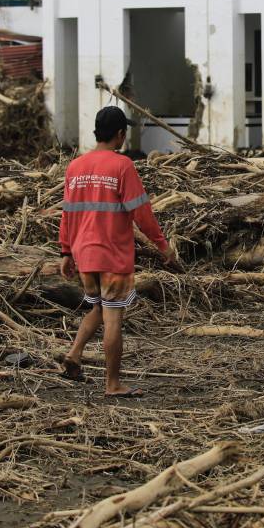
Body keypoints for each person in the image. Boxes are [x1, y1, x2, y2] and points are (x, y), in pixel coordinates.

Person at [58, 106, 177, 397]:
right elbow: (142, 212)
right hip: (112, 254)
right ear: (121, 134)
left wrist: (65, 251)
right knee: (113, 317)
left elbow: (67, 213)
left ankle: (73, 354)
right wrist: (163, 245)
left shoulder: (75, 167)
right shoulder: (122, 166)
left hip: (85, 254)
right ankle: (112, 384)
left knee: (98, 308)